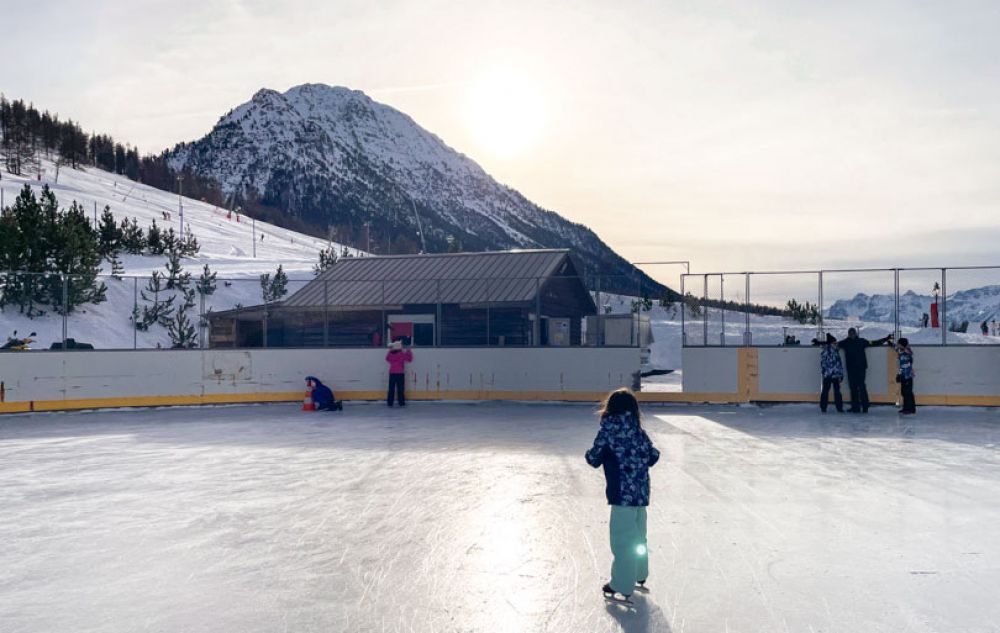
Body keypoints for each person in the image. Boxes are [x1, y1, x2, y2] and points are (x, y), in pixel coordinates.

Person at [585, 388, 660, 603]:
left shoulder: (609, 430)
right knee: (638, 537)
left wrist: (593, 455)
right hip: (641, 495)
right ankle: (639, 574)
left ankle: (622, 584)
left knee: (622, 541)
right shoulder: (638, 431)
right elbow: (653, 455)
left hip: (621, 496)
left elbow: (593, 458)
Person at [836, 328, 891, 413]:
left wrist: (885, 339)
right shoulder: (851, 342)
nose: (852, 335)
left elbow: (873, 343)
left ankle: (862, 406)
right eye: (851, 334)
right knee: (856, 387)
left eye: (852, 333)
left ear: (854, 334)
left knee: (859, 387)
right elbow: (834, 344)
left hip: (858, 368)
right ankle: (858, 407)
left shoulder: (853, 342)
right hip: (855, 368)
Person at [812, 333, 844, 413]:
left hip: (830, 374)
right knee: (834, 392)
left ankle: (824, 407)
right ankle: (837, 408)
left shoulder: (827, 350)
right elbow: (837, 363)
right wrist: (840, 373)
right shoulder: (831, 350)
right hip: (832, 374)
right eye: (834, 342)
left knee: (827, 392)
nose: (835, 343)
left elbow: (837, 363)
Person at [385, 340, 412, 407]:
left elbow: (387, 358)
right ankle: (401, 402)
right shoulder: (402, 354)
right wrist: (408, 351)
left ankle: (390, 402)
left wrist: (390, 350)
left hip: (392, 372)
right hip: (400, 373)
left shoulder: (391, 354)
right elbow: (409, 359)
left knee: (391, 388)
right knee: (400, 388)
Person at [894, 338, 916, 415]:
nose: (897, 345)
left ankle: (910, 409)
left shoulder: (906, 352)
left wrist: (899, 374)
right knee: (904, 392)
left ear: (902, 344)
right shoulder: (900, 351)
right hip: (903, 375)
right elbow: (896, 348)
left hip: (908, 375)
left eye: (898, 343)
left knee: (907, 392)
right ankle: (907, 408)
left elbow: (904, 365)